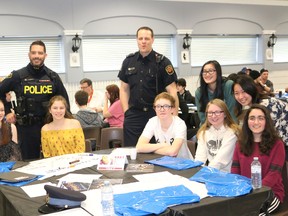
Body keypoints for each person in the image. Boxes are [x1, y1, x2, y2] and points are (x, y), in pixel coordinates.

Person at [0, 40, 70, 160]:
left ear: (45, 55)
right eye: (34, 53)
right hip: (26, 129)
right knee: (29, 163)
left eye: (40, 53)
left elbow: (64, 101)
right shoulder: (18, 76)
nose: (37, 56)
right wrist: (7, 111)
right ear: (29, 55)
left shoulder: (52, 77)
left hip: (49, 125)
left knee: (54, 160)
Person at [118, 26, 179, 146]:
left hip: (156, 114)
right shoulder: (128, 61)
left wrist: (174, 116)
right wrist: (126, 112)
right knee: (132, 151)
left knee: (158, 152)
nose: (143, 41)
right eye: (140, 38)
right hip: (134, 115)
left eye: (146, 38)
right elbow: (124, 90)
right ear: (137, 40)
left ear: (152, 39)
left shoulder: (162, 62)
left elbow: (172, 91)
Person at [231, 104, 285, 215]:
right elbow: (235, 171)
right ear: (247, 122)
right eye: (252, 118)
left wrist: (254, 192)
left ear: (267, 121)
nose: (256, 122)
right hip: (244, 193)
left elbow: (274, 174)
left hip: (270, 194)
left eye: (260, 118)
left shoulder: (277, 144)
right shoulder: (240, 143)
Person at [233, 75, 288, 159]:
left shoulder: (267, 105)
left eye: (244, 92)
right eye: (236, 93)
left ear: (251, 89)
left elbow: (271, 136)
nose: (240, 96)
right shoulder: (252, 106)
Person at [136, 92, 193, 159]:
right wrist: (163, 145)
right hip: (162, 162)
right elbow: (139, 147)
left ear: (172, 109)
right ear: (155, 109)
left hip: (182, 164)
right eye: (158, 106)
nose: (162, 109)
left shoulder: (179, 124)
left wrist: (150, 149)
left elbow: (173, 152)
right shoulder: (152, 121)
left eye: (166, 106)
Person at [195, 99, 239, 172]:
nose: (213, 116)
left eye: (217, 112)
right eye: (210, 113)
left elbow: (221, 160)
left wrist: (207, 172)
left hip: (228, 174)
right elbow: (200, 158)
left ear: (225, 114)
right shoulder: (203, 133)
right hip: (211, 171)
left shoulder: (231, 132)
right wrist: (197, 171)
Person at [195, 60, 236, 125]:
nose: (207, 74)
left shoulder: (228, 85)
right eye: (204, 71)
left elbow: (231, 113)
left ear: (218, 72)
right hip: (208, 128)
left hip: (228, 126)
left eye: (211, 71)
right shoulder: (199, 92)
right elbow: (203, 118)